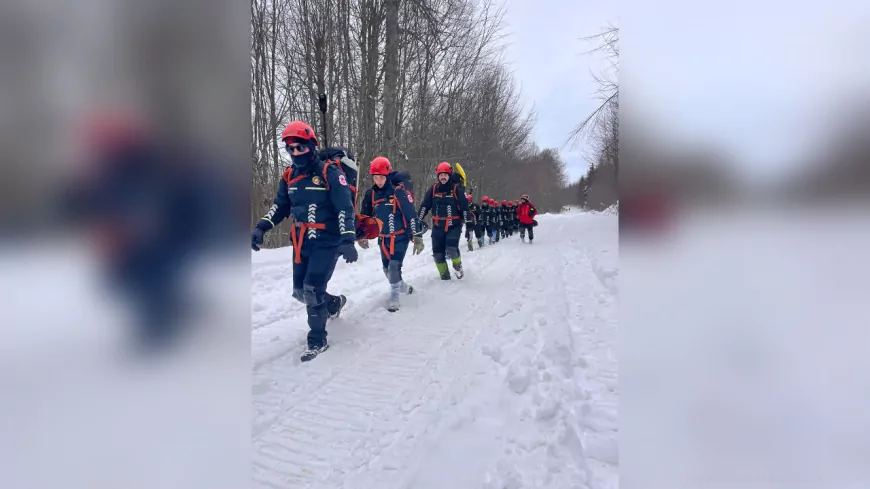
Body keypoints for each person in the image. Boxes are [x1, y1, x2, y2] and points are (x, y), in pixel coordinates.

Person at [250, 121, 359, 361]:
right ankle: (333, 304)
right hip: (301, 241)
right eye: (291, 149)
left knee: (311, 289)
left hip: (327, 240)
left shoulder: (330, 173)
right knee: (300, 292)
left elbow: (344, 208)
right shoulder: (289, 176)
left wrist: (348, 238)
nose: (296, 153)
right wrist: (261, 227)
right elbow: (280, 206)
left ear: (311, 145)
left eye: (300, 147)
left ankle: (317, 340)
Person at [357, 156, 424, 311]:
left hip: (400, 237)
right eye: (375, 177)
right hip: (383, 239)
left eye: (381, 177)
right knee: (387, 270)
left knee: (394, 267)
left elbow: (410, 214)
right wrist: (362, 235)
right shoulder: (371, 195)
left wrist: (417, 235)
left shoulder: (398, 192)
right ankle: (404, 287)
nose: (379, 181)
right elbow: (365, 218)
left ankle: (394, 297)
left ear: (387, 175)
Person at [418, 162, 470, 279]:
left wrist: (469, 226)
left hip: (454, 225)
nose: (443, 177)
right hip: (437, 226)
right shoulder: (433, 189)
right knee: (437, 254)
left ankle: (458, 267)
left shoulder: (456, 190)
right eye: (440, 175)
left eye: (445, 175)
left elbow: (465, 209)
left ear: (449, 175)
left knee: (451, 248)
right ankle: (444, 276)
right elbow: (425, 206)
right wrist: (418, 220)